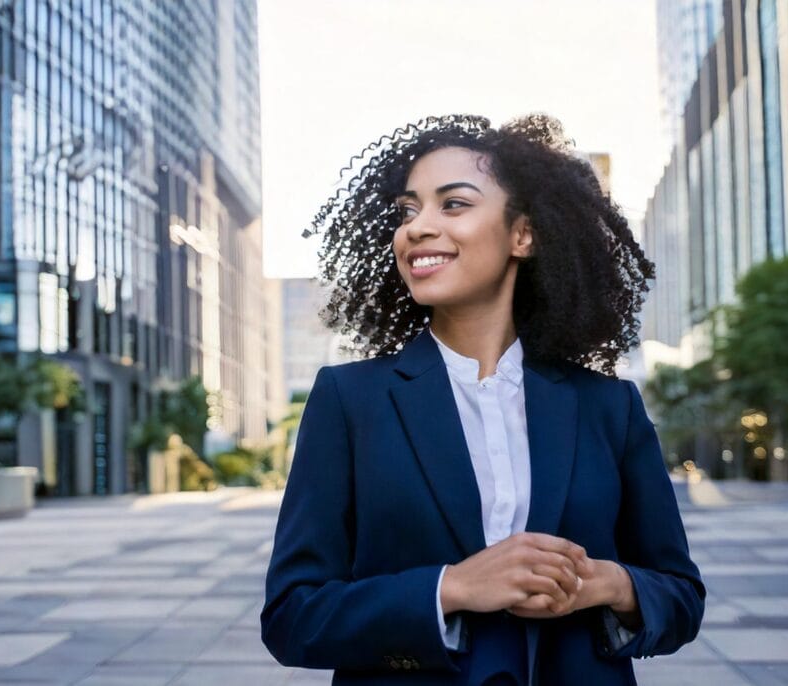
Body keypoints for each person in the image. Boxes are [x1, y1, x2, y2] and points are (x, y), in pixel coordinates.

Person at [261, 114, 704, 685]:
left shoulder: (608, 407)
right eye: (407, 210)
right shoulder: (349, 401)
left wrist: (608, 585)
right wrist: (453, 587)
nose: (417, 227)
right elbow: (293, 617)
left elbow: (682, 598)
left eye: (453, 204)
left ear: (523, 234)